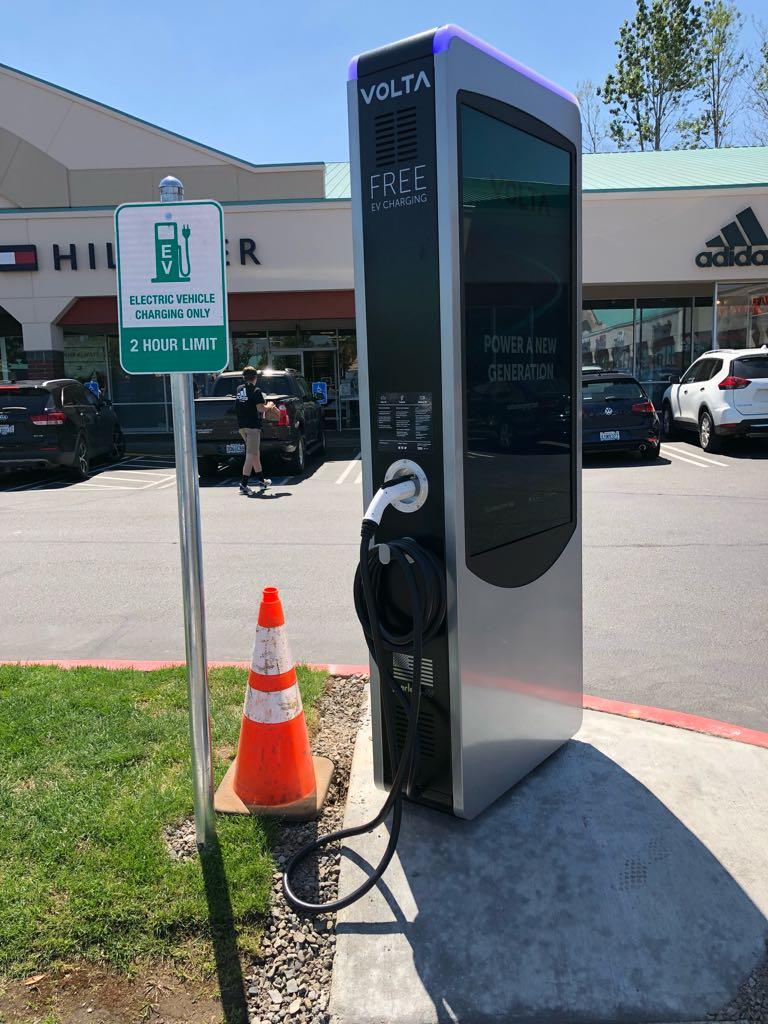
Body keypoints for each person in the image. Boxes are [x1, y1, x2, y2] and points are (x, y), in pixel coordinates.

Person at [236, 366, 275, 495]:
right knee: (250, 455)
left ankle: (261, 481)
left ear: (244, 377)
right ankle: (244, 484)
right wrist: (269, 405)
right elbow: (260, 409)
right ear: (255, 378)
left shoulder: (240, 389)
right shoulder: (256, 390)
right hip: (253, 427)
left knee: (255, 454)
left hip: (242, 426)